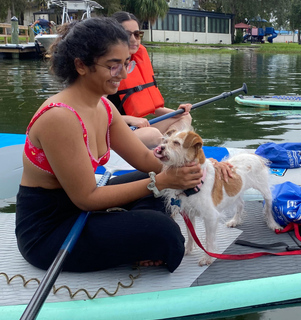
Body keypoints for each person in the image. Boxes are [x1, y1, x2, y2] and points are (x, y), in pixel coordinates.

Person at [15, 17, 231, 273]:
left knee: (156, 183)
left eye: (127, 63)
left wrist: (203, 166)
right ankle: (138, 239)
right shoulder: (60, 117)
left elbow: (147, 160)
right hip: (48, 230)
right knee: (165, 232)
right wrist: (162, 182)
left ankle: (130, 237)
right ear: (81, 65)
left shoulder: (104, 106)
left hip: (79, 206)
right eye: (114, 66)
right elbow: (87, 198)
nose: (125, 74)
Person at [108, 11, 192, 149]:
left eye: (137, 34)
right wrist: (130, 119)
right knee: (152, 134)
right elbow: (94, 115)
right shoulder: (105, 67)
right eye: (127, 35)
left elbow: (149, 106)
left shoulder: (135, 62)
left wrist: (177, 112)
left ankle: (169, 149)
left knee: (185, 117)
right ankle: (168, 149)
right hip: (111, 130)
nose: (134, 39)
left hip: (134, 128)